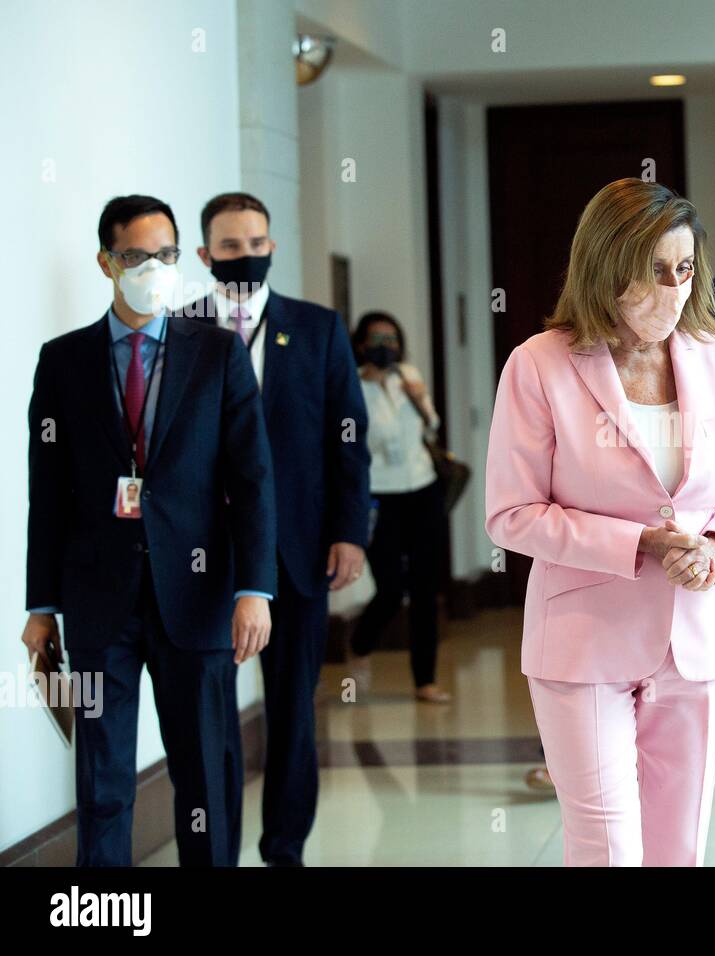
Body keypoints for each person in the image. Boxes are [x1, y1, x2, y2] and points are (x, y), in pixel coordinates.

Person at [485, 178, 715, 866]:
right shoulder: (540, 365)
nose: (672, 291)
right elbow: (511, 514)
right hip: (583, 644)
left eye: (684, 270)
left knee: (679, 846)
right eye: (653, 272)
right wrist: (637, 543)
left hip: (694, 641)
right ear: (608, 269)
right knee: (606, 843)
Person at [22, 195, 276, 866]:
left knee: (204, 779)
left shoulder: (217, 353)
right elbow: (46, 495)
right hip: (98, 601)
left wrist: (255, 587)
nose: (155, 269)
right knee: (102, 782)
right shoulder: (64, 361)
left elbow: (252, 478)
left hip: (197, 596)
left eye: (166, 255)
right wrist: (40, 607)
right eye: (137, 256)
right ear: (107, 262)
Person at [186, 192, 370, 867]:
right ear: (205, 255)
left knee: (293, 712)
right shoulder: (181, 331)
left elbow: (348, 437)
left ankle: (285, 849)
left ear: (272, 247)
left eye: (257, 243)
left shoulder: (317, 329)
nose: (247, 256)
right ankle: (217, 852)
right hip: (203, 558)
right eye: (231, 247)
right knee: (209, 721)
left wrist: (351, 530)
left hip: (300, 551)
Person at [349, 311, 451, 703]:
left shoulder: (407, 374)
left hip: (422, 488)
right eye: (376, 338)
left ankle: (424, 679)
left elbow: (432, 426)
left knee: (425, 587)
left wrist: (415, 395)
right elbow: (360, 440)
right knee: (391, 588)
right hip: (378, 494)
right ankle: (359, 646)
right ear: (361, 344)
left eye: (391, 339)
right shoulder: (352, 384)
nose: (385, 346)